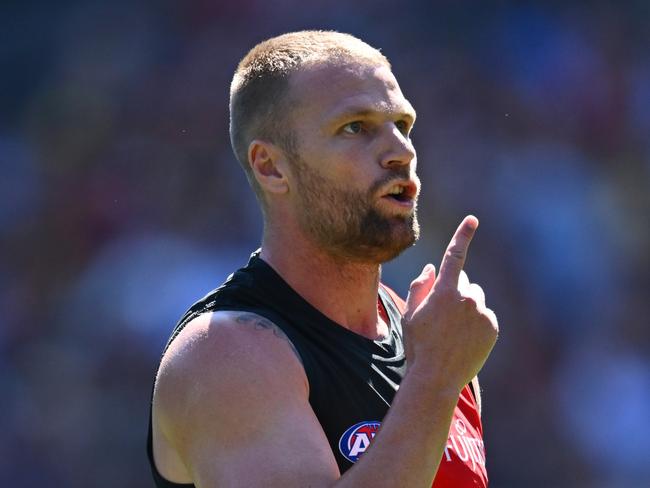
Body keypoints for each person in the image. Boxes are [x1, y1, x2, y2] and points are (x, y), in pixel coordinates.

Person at [147, 30, 498, 488]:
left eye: (403, 126)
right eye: (355, 127)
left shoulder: (432, 337)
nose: (401, 151)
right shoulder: (226, 352)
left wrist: (440, 370)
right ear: (271, 167)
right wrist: (435, 377)